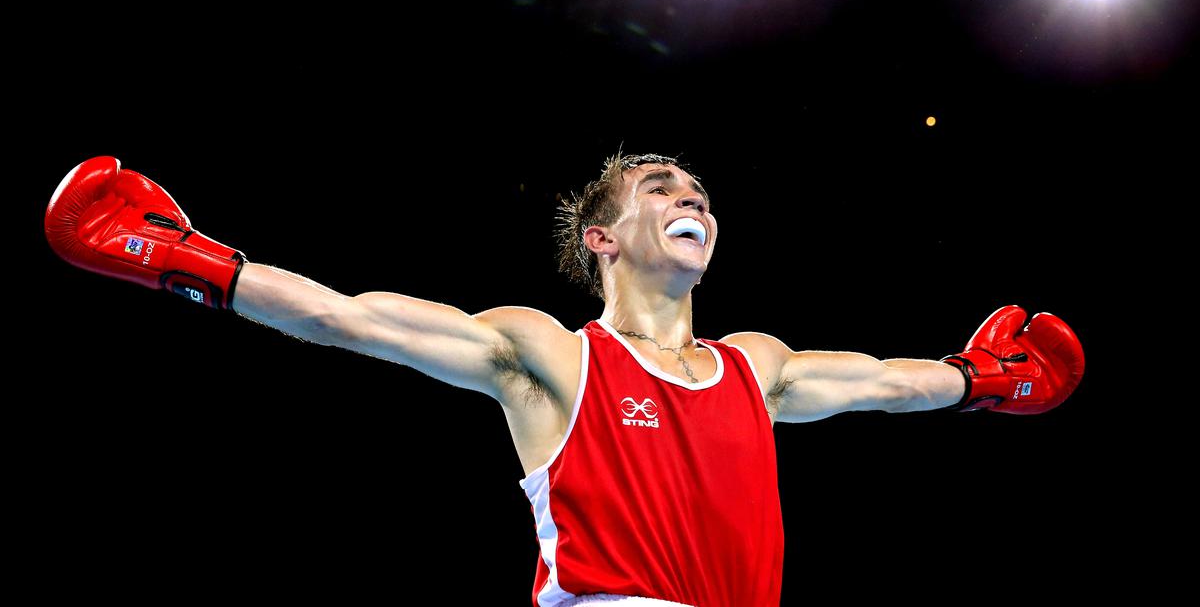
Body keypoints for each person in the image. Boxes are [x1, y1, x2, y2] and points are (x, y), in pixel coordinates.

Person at [44, 151, 1085, 607]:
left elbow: (885, 384)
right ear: (604, 237)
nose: (693, 198)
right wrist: (187, 260)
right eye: (660, 188)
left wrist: (982, 376)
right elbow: (344, 316)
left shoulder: (754, 366)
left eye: (702, 191)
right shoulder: (550, 352)